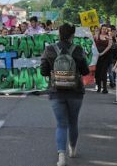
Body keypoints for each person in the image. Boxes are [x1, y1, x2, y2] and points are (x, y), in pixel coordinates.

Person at [41, 23, 90, 166]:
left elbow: (43, 71)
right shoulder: (78, 49)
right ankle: (72, 149)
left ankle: (61, 155)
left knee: (61, 124)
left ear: (59, 34)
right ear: (72, 35)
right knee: (73, 122)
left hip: (56, 91)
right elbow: (86, 71)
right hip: (75, 91)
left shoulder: (50, 49)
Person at [94, 25, 113, 93]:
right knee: (97, 72)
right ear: (101, 29)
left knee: (104, 72)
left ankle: (105, 88)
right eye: (103, 29)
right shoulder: (96, 36)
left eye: (105, 29)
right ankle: (99, 87)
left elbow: (109, 46)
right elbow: (92, 44)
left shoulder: (109, 37)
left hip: (105, 57)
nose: (104, 30)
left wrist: (102, 53)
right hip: (97, 57)